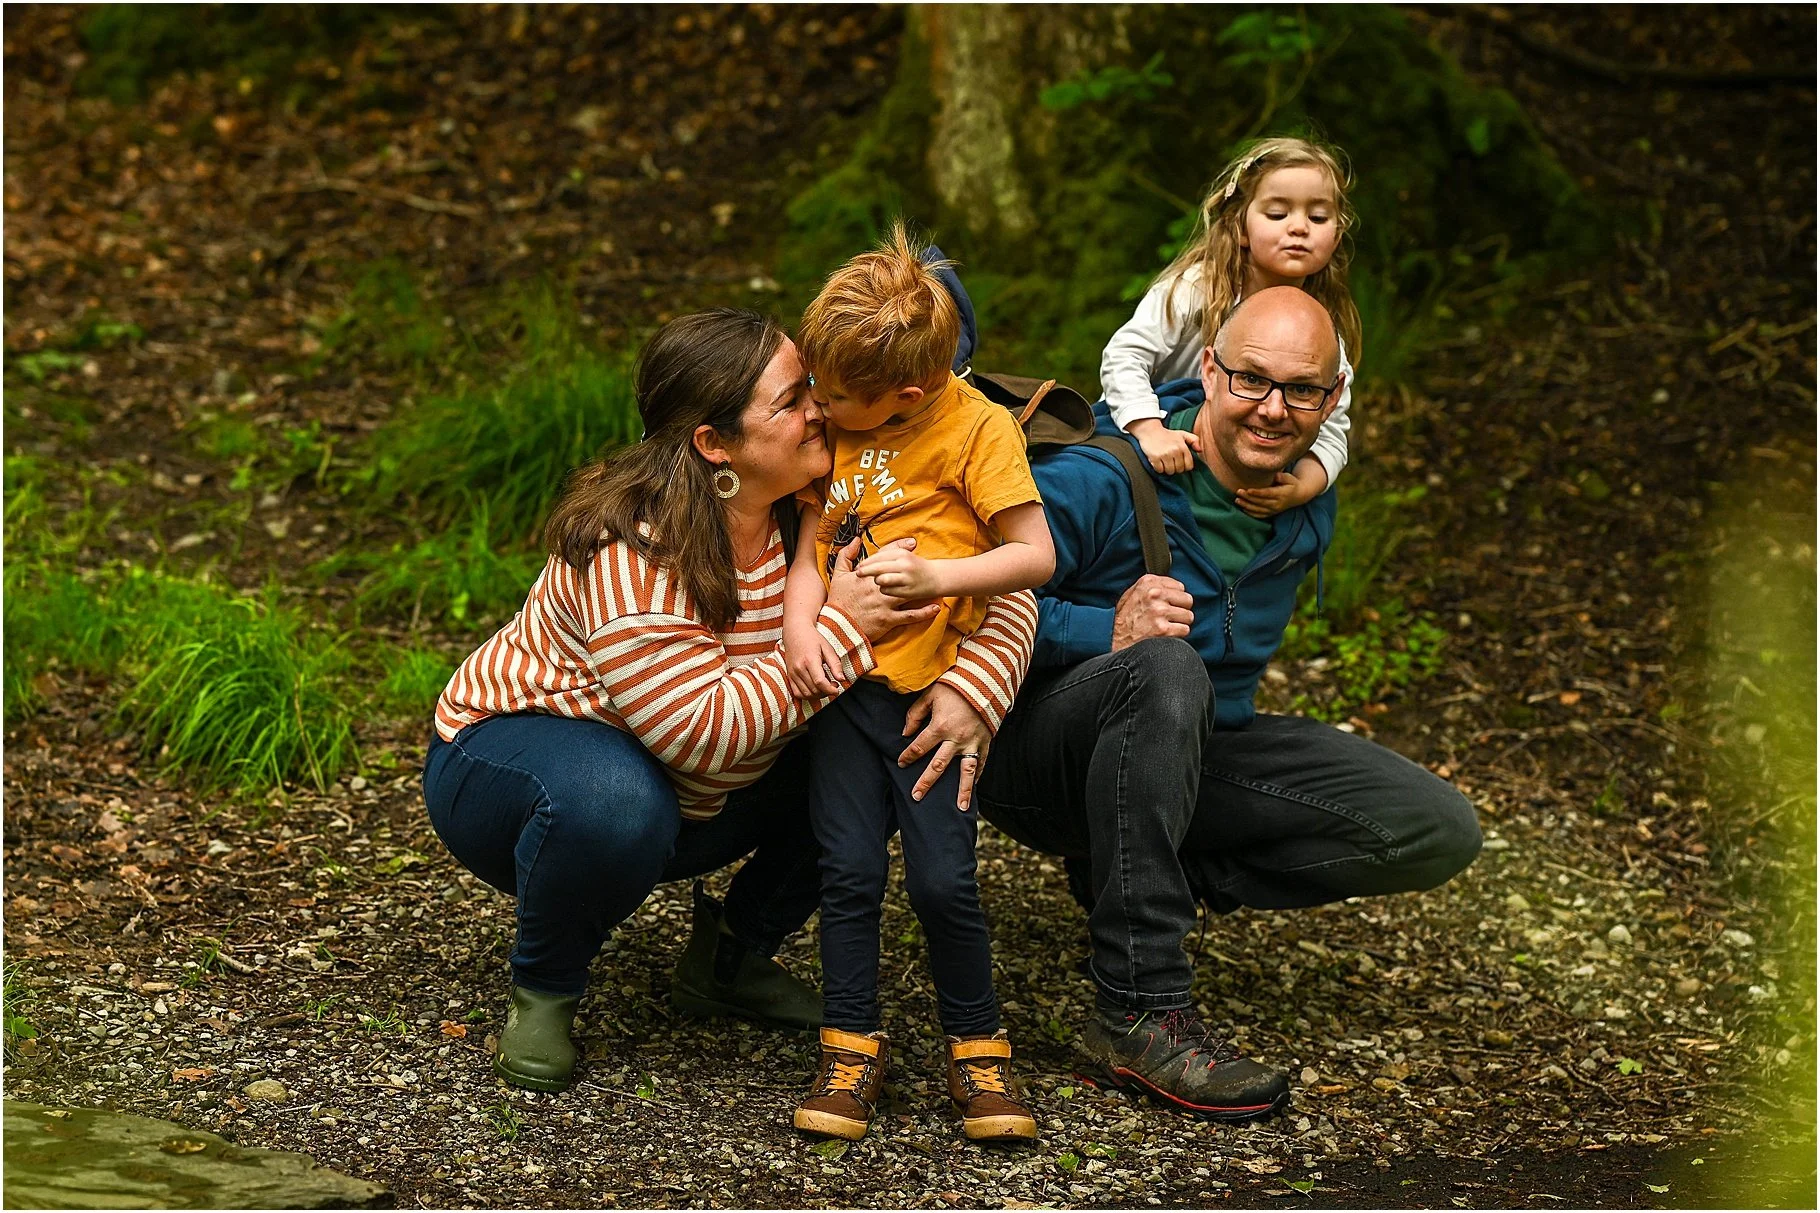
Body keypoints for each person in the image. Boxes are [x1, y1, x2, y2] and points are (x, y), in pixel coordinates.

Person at [422, 308, 1037, 1095]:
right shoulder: (636, 545)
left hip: (703, 791)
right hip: (523, 758)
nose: (819, 406)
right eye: (790, 400)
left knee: (880, 744)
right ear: (716, 445)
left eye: (811, 383)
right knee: (616, 801)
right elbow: (700, 738)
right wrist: (848, 628)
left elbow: (1003, 570)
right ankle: (545, 987)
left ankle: (733, 957)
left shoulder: (820, 491)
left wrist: (973, 687)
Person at [975, 287, 1482, 1122]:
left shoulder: (1301, 497)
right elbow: (966, 596)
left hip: (1189, 744)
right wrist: (1108, 629)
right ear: (1208, 370)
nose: (1274, 410)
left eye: (1302, 391)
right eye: (1251, 380)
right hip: (1035, 753)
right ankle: (1139, 1009)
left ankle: (1144, 864)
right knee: (1165, 665)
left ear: (1333, 400)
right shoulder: (1102, 477)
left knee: (1432, 825)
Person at [782, 226, 1054, 1143]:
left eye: (838, 396)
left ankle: (978, 1050)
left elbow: (1035, 554)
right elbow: (811, 540)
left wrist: (940, 579)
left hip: (929, 697)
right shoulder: (834, 420)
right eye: (814, 384)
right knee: (848, 871)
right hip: (846, 697)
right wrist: (804, 629)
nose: (819, 405)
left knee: (944, 881)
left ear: (909, 391)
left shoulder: (975, 428)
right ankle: (850, 1045)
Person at [1101, 135, 1360, 521]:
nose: (1299, 228)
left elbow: (1333, 424)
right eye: (1277, 214)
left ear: (1336, 236)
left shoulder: (1320, 336)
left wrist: (1303, 487)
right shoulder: (1195, 290)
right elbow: (1125, 355)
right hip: (1154, 453)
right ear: (1239, 226)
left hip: (1235, 485)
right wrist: (1148, 429)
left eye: (1318, 217)